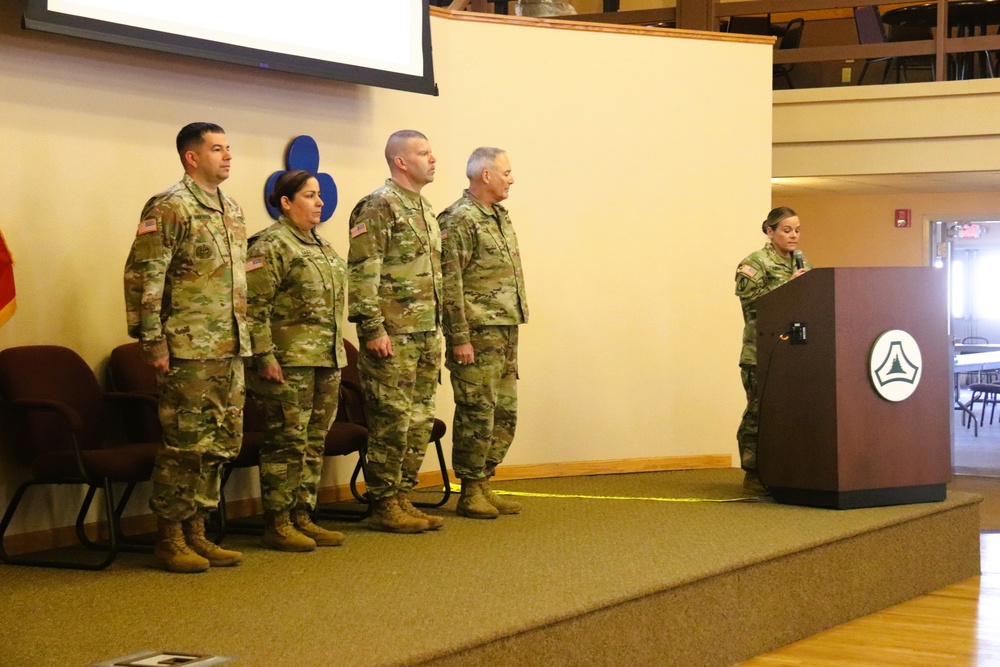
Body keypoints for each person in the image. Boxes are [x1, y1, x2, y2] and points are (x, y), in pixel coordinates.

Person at [123, 122, 249, 573]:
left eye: (229, 148)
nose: (228, 156)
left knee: (222, 443)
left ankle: (198, 529)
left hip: (230, 345)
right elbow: (144, 276)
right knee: (185, 445)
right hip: (188, 348)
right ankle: (171, 536)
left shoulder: (232, 208)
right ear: (191, 157)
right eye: (217, 149)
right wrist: (152, 341)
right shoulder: (171, 206)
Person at [347, 130, 445, 533]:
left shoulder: (423, 208)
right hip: (393, 334)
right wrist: (372, 328)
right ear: (400, 162)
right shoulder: (378, 206)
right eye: (423, 153)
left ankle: (403, 495)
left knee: (419, 420)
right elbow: (363, 272)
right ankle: (384, 501)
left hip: (424, 333)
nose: (433, 158)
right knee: (392, 420)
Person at [246, 170, 348, 552]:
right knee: (285, 442)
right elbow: (253, 307)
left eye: (319, 194)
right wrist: (264, 356)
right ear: (286, 203)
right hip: (286, 362)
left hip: (324, 359)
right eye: (309, 195)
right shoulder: (270, 245)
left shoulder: (321, 245)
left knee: (312, 442)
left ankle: (303, 516)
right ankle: (278, 521)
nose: (319, 202)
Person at [438, 147, 529, 519]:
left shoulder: (499, 217)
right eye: (506, 172)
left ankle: (485, 482)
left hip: (504, 329)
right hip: (476, 331)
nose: (511, 178)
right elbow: (450, 282)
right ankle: (470, 488)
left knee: (503, 412)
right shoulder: (458, 219)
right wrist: (459, 337)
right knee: (477, 410)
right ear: (485, 175)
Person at [734, 206, 811, 495]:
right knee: (759, 413)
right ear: (770, 231)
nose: (794, 236)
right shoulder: (755, 263)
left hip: (795, 353)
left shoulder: (801, 263)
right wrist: (787, 288)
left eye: (798, 230)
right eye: (787, 230)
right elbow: (752, 305)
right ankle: (753, 475)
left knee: (788, 414)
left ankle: (784, 471)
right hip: (761, 352)